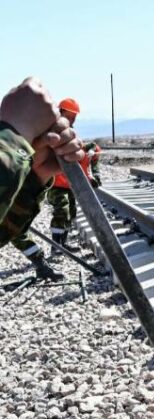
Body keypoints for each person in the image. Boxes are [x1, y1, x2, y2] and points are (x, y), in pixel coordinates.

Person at [0, 78, 84, 279]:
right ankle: (48, 253)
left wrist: (35, 176)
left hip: (55, 184)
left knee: (65, 212)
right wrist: (12, 135)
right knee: (60, 212)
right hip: (58, 188)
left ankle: (52, 250)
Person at [48, 98, 101, 254]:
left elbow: (79, 160)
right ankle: (55, 246)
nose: (72, 119)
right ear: (61, 112)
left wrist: (90, 175)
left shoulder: (71, 133)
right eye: (69, 116)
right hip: (55, 183)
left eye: (74, 117)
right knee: (62, 211)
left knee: (70, 213)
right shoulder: (54, 131)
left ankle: (62, 244)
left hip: (68, 184)